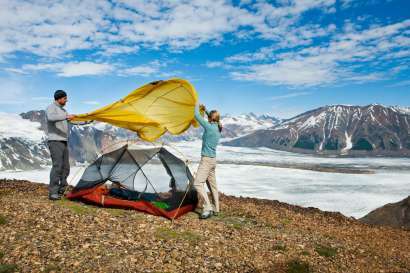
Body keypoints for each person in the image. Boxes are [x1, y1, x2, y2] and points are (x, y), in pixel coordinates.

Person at [193, 103, 222, 219]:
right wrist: (206, 111)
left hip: (206, 160)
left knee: (198, 183)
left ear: (210, 118)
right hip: (213, 160)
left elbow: (196, 115)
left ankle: (208, 207)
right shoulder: (219, 127)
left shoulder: (209, 127)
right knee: (212, 185)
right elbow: (213, 118)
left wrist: (195, 104)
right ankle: (216, 208)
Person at [45, 90, 76, 200]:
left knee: (66, 167)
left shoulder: (63, 110)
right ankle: (53, 192)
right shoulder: (51, 108)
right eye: (64, 98)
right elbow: (51, 118)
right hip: (55, 141)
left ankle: (62, 189)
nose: (66, 100)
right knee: (57, 166)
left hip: (64, 141)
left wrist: (88, 120)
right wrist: (66, 116)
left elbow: (71, 121)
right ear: (59, 98)